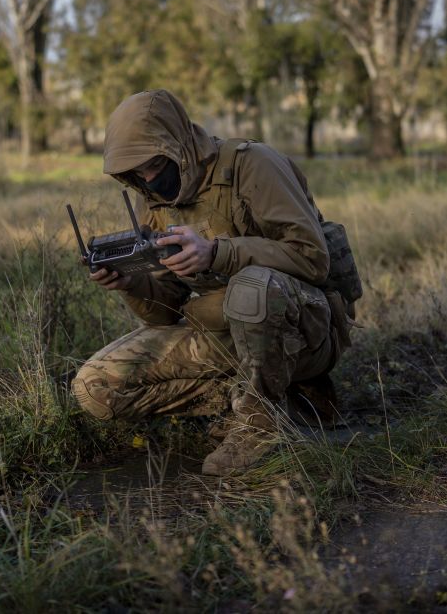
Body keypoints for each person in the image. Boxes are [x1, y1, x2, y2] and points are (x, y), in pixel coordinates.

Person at [70, 89, 354, 476]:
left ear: (178, 142)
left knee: (250, 287)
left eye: (154, 164)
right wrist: (131, 283)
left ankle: (260, 424)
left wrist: (216, 253)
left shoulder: (253, 165)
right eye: (135, 173)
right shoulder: (151, 198)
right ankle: (253, 398)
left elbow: (313, 258)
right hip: (225, 333)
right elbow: (165, 313)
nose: (148, 179)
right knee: (94, 388)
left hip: (306, 330)